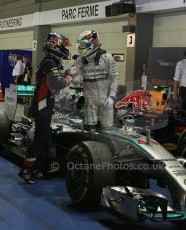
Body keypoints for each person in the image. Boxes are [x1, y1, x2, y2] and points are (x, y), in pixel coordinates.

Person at [18, 32, 72, 184]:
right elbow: (57, 83)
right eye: (62, 45)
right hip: (42, 105)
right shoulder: (49, 62)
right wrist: (69, 78)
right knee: (40, 138)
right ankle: (26, 169)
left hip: (45, 104)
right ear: (55, 45)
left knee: (45, 137)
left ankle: (37, 167)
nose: (64, 50)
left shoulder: (50, 62)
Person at [73, 30, 119, 130]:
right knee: (91, 128)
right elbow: (76, 82)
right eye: (80, 44)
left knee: (108, 128)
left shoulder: (107, 58)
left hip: (106, 99)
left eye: (83, 44)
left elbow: (114, 78)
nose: (81, 47)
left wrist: (112, 97)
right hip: (90, 100)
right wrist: (73, 75)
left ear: (93, 43)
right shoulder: (80, 61)